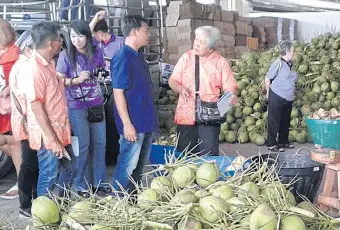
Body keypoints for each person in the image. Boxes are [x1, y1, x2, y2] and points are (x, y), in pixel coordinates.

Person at [56, 20, 108, 197]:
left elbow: (102, 70)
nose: (76, 40)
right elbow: (58, 81)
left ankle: (100, 184)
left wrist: (101, 75)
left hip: (96, 103)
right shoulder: (65, 56)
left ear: (87, 36)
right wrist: (76, 80)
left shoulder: (97, 52)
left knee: (100, 144)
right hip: (75, 106)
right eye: (72, 36)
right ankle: (81, 186)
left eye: (80, 36)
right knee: (83, 146)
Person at [169, 26, 238, 156]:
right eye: (196, 40)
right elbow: (172, 81)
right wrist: (180, 88)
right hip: (186, 113)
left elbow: (230, 87)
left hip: (209, 114)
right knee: (185, 153)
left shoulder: (221, 63)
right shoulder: (186, 58)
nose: (197, 44)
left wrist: (231, 96)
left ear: (211, 48)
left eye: (202, 42)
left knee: (208, 153)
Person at [25, 22, 75, 197]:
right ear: (50, 44)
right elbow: (36, 107)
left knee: (69, 169)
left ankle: (60, 206)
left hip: (60, 130)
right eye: (59, 39)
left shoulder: (50, 63)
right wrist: (53, 140)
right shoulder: (36, 70)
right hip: (48, 135)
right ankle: (43, 218)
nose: (61, 42)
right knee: (49, 175)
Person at [110, 15, 158, 193]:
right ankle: (119, 203)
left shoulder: (138, 56)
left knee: (138, 168)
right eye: (146, 31)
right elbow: (118, 92)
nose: (149, 34)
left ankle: (132, 202)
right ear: (134, 31)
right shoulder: (123, 57)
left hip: (145, 121)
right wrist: (127, 124)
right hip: (133, 123)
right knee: (127, 166)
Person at [9, 46, 41, 218]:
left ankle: (32, 201)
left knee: (32, 163)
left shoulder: (25, 65)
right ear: (29, 49)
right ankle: (25, 204)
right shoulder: (24, 68)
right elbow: (26, 99)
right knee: (29, 163)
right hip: (28, 122)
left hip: (29, 121)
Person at [0, 19, 23, 200]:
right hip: (0, 104)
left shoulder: (15, 54)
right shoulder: (0, 52)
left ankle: (22, 182)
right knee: (8, 142)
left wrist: (8, 89)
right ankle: (25, 174)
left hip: (9, 105)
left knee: (14, 142)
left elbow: (20, 79)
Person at [264, 41, 297, 152]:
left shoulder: (290, 64)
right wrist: (268, 93)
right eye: (292, 50)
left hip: (288, 98)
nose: (294, 52)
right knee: (274, 120)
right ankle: (272, 144)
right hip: (277, 95)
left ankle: (283, 142)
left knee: (285, 121)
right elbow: (268, 78)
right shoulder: (278, 63)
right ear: (287, 51)